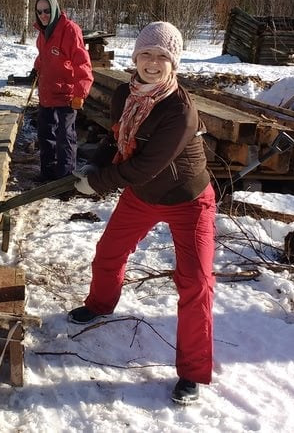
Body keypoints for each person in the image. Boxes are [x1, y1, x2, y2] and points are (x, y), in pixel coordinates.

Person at [68, 21, 214, 406]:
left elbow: (143, 166)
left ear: (174, 63)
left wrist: (98, 183)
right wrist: (92, 166)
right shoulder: (124, 94)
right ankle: (99, 305)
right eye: (146, 54)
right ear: (135, 57)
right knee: (109, 250)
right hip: (143, 195)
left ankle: (192, 373)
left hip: (188, 198)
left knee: (195, 282)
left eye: (161, 56)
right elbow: (118, 141)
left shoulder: (179, 112)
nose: (152, 63)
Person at [32, 0, 93, 181]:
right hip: (47, 93)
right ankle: (47, 174)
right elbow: (44, 56)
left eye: (47, 11)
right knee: (45, 135)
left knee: (65, 138)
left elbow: (82, 64)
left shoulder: (69, 30)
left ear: (55, 9)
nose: (43, 15)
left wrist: (80, 93)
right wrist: (37, 68)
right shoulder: (43, 32)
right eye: (39, 11)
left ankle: (64, 180)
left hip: (66, 95)